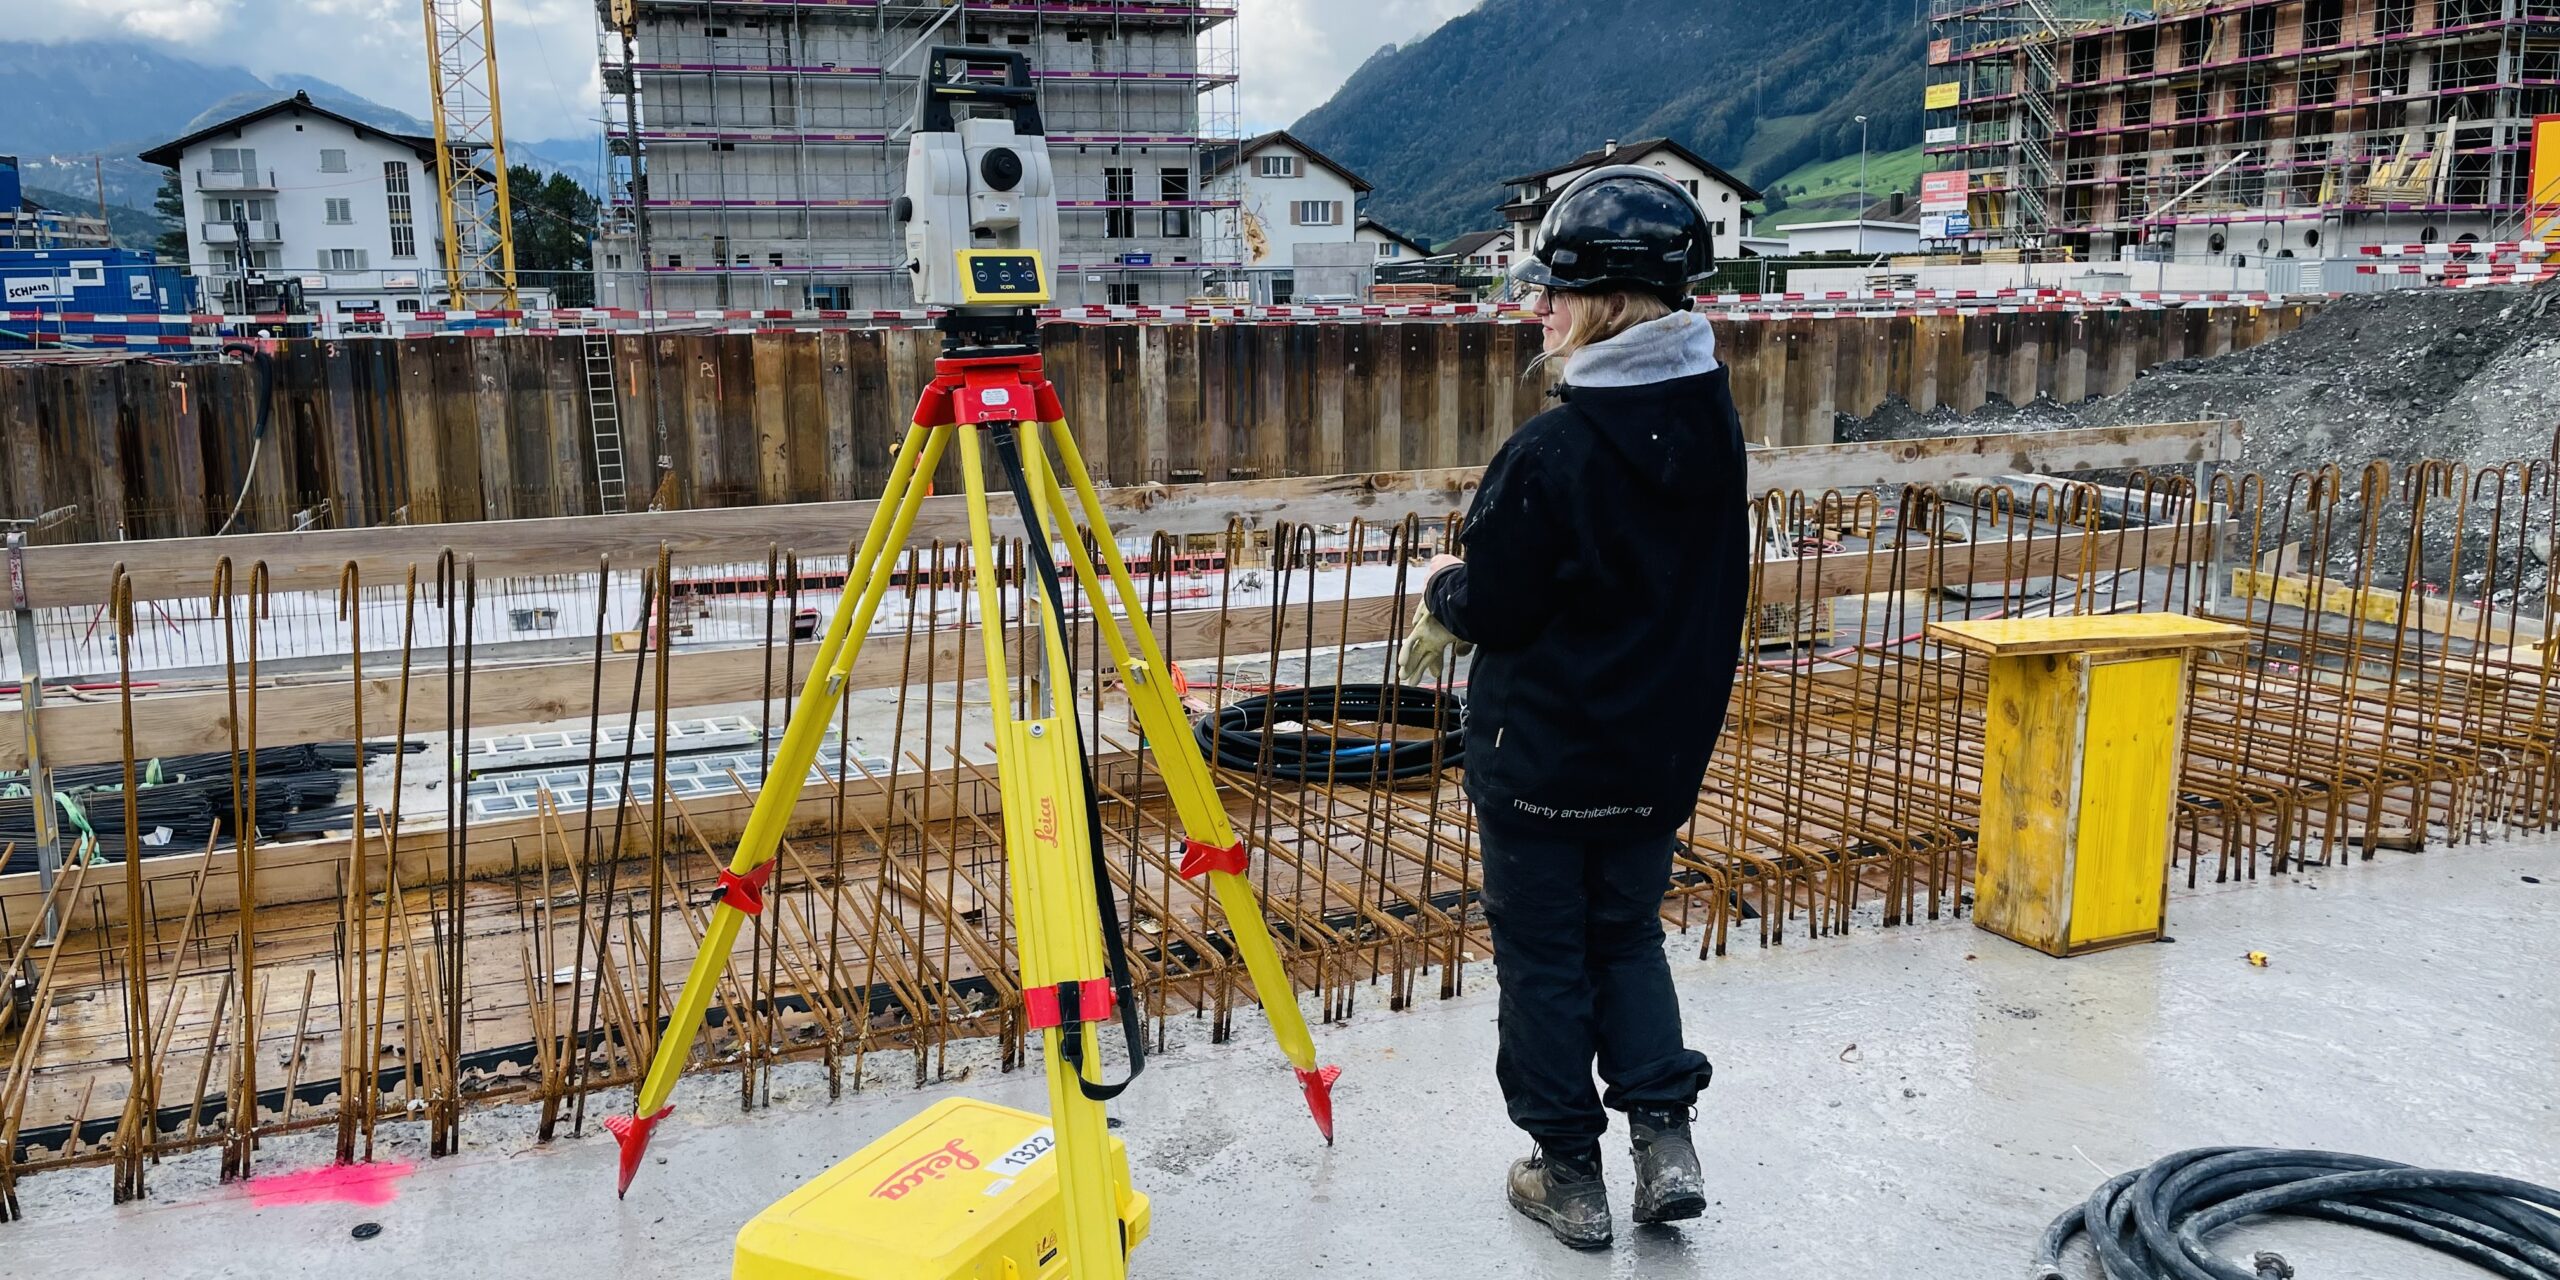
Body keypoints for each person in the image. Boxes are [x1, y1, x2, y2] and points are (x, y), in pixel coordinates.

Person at [1399, 166, 1750, 1250]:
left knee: (1546, 960)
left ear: (1595, 302)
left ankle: (1568, 1172)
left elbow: (1498, 605)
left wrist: (1442, 592)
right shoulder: (1712, 428)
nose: (1536, 309)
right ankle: (1664, 1139)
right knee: (1627, 938)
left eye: (1550, 291)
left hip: (1542, 763)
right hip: (1654, 759)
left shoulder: (1549, 452)